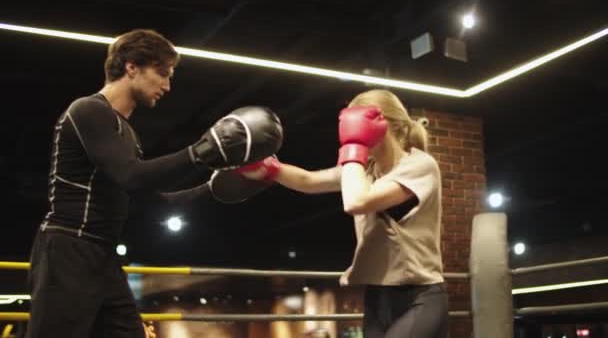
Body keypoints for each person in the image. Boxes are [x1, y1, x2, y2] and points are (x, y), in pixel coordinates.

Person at [25, 28, 283, 338]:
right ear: (131, 67)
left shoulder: (127, 134)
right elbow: (131, 175)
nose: (167, 85)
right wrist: (203, 152)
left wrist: (216, 186)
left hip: (101, 256)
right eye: (162, 73)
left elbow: (153, 200)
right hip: (68, 249)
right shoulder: (89, 110)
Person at [239, 89, 448, 337]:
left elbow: (356, 202)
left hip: (420, 297)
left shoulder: (419, 165)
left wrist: (354, 147)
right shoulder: (364, 170)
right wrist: (270, 168)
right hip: (378, 296)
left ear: (383, 124)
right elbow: (310, 180)